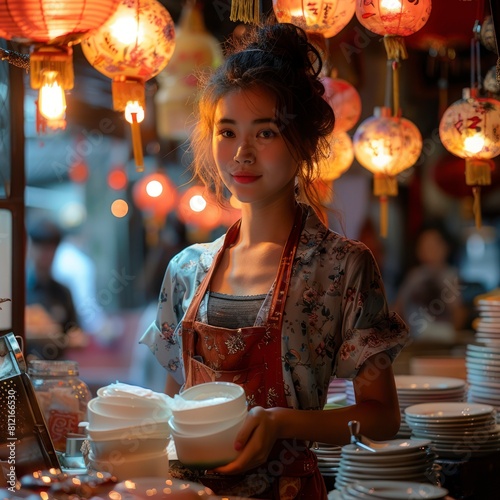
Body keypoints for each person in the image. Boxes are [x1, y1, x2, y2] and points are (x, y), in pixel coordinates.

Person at [140, 21, 409, 499]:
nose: (242, 153)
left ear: (302, 145)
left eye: (265, 132)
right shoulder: (186, 269)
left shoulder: (341, 267)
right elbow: (172, 405)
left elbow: (383, 417)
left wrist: (283, 424)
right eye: (228, 131)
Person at [393, 220, 467, 342]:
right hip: (415, 340)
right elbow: (398, 307)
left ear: (446, 247)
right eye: (424, 245)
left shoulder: (450, 275)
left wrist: (453, 334)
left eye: (433, 245)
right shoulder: (414, 276)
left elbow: (458, 311)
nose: (429, 250)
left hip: (443, 339)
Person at [25, 216, 82, 359]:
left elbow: (75, 333)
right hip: (26, 370)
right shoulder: (19, 291)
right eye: (41, 248)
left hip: (57, 371)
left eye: (51, 249)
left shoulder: (63, 292)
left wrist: (74, 337)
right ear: (31, 248)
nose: (46, 254)